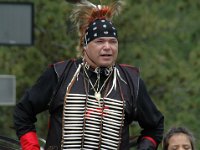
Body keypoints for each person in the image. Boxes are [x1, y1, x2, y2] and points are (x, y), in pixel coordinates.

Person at [13, 0, 164, 149]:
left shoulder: (131, 81)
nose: (107, 47)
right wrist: (31, 147)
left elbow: (155, 126)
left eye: (113, 42)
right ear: (85, 46)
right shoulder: (60, 74)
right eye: (100, 41)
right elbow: (23, 112)